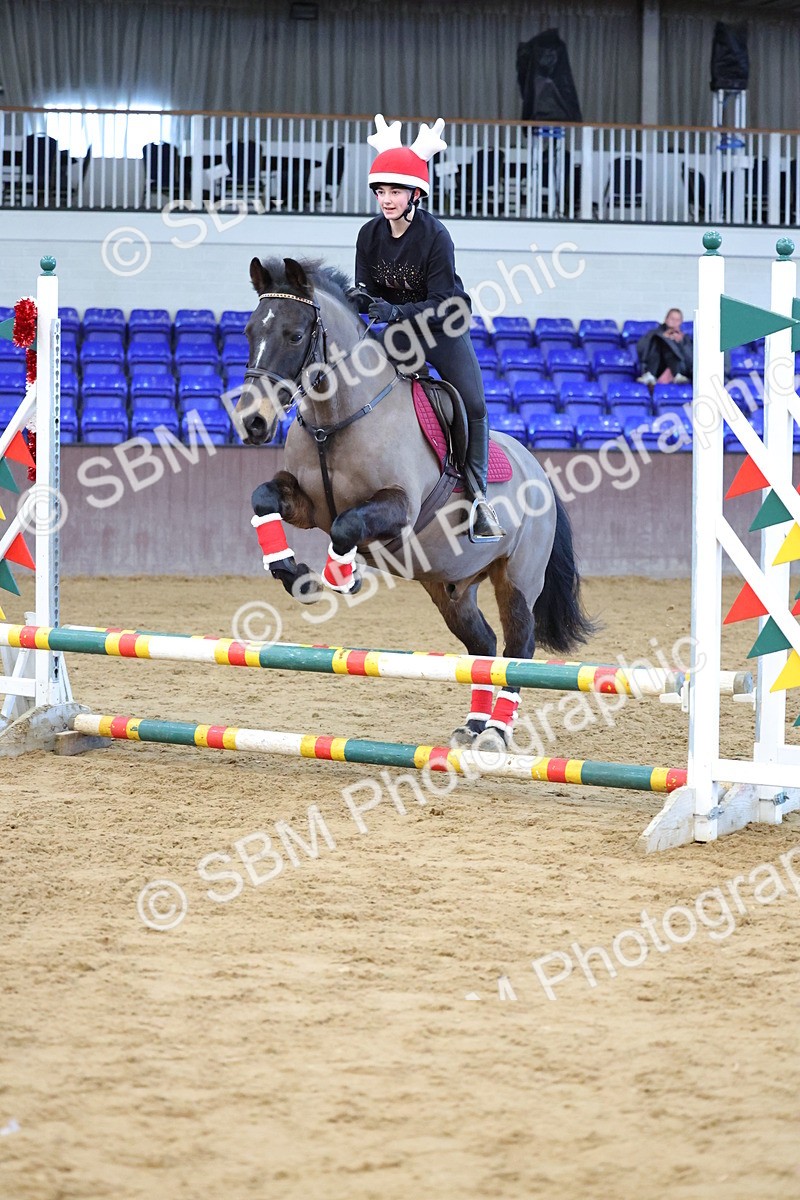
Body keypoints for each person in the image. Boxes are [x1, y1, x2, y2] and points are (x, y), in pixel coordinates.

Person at [351, 114, 505, 542]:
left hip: (443, 327)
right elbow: (366, 288)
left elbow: (440, 303)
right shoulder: (369, 234)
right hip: (401, 334)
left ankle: (478, 498)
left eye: (395, 191)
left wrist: (394, 313)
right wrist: (358, 300)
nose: (386, 199)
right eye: (381, 191)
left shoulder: (436, 236)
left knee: (473, 403)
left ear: (415, 194)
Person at [636, 308, 693, 387]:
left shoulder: (684, 338)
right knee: (660, 340)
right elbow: (641, 348)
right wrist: (664, 337)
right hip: (657, 368)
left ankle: (677, 374)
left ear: (681, 322)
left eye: (677, 320)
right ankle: (651, 374)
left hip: (679, 369)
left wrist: (681, 343)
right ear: (666, 319)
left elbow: (690, 359)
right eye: (672, 319)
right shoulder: (654, 334)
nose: (674, 322)